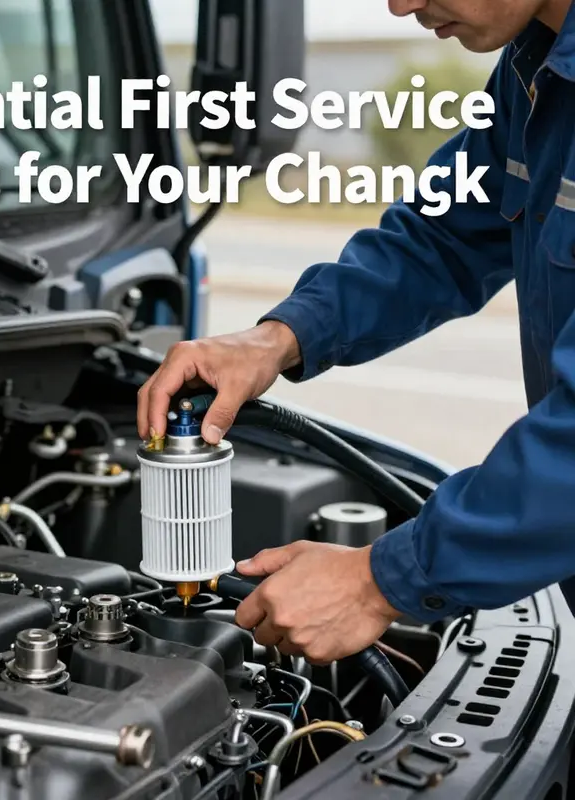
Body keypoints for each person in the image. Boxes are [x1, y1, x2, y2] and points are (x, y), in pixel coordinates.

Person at [136, 0, 575, 665]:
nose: (399, 3)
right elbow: (440, 239)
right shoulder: (533, 71)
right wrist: (280, 336)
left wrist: (379, 582)